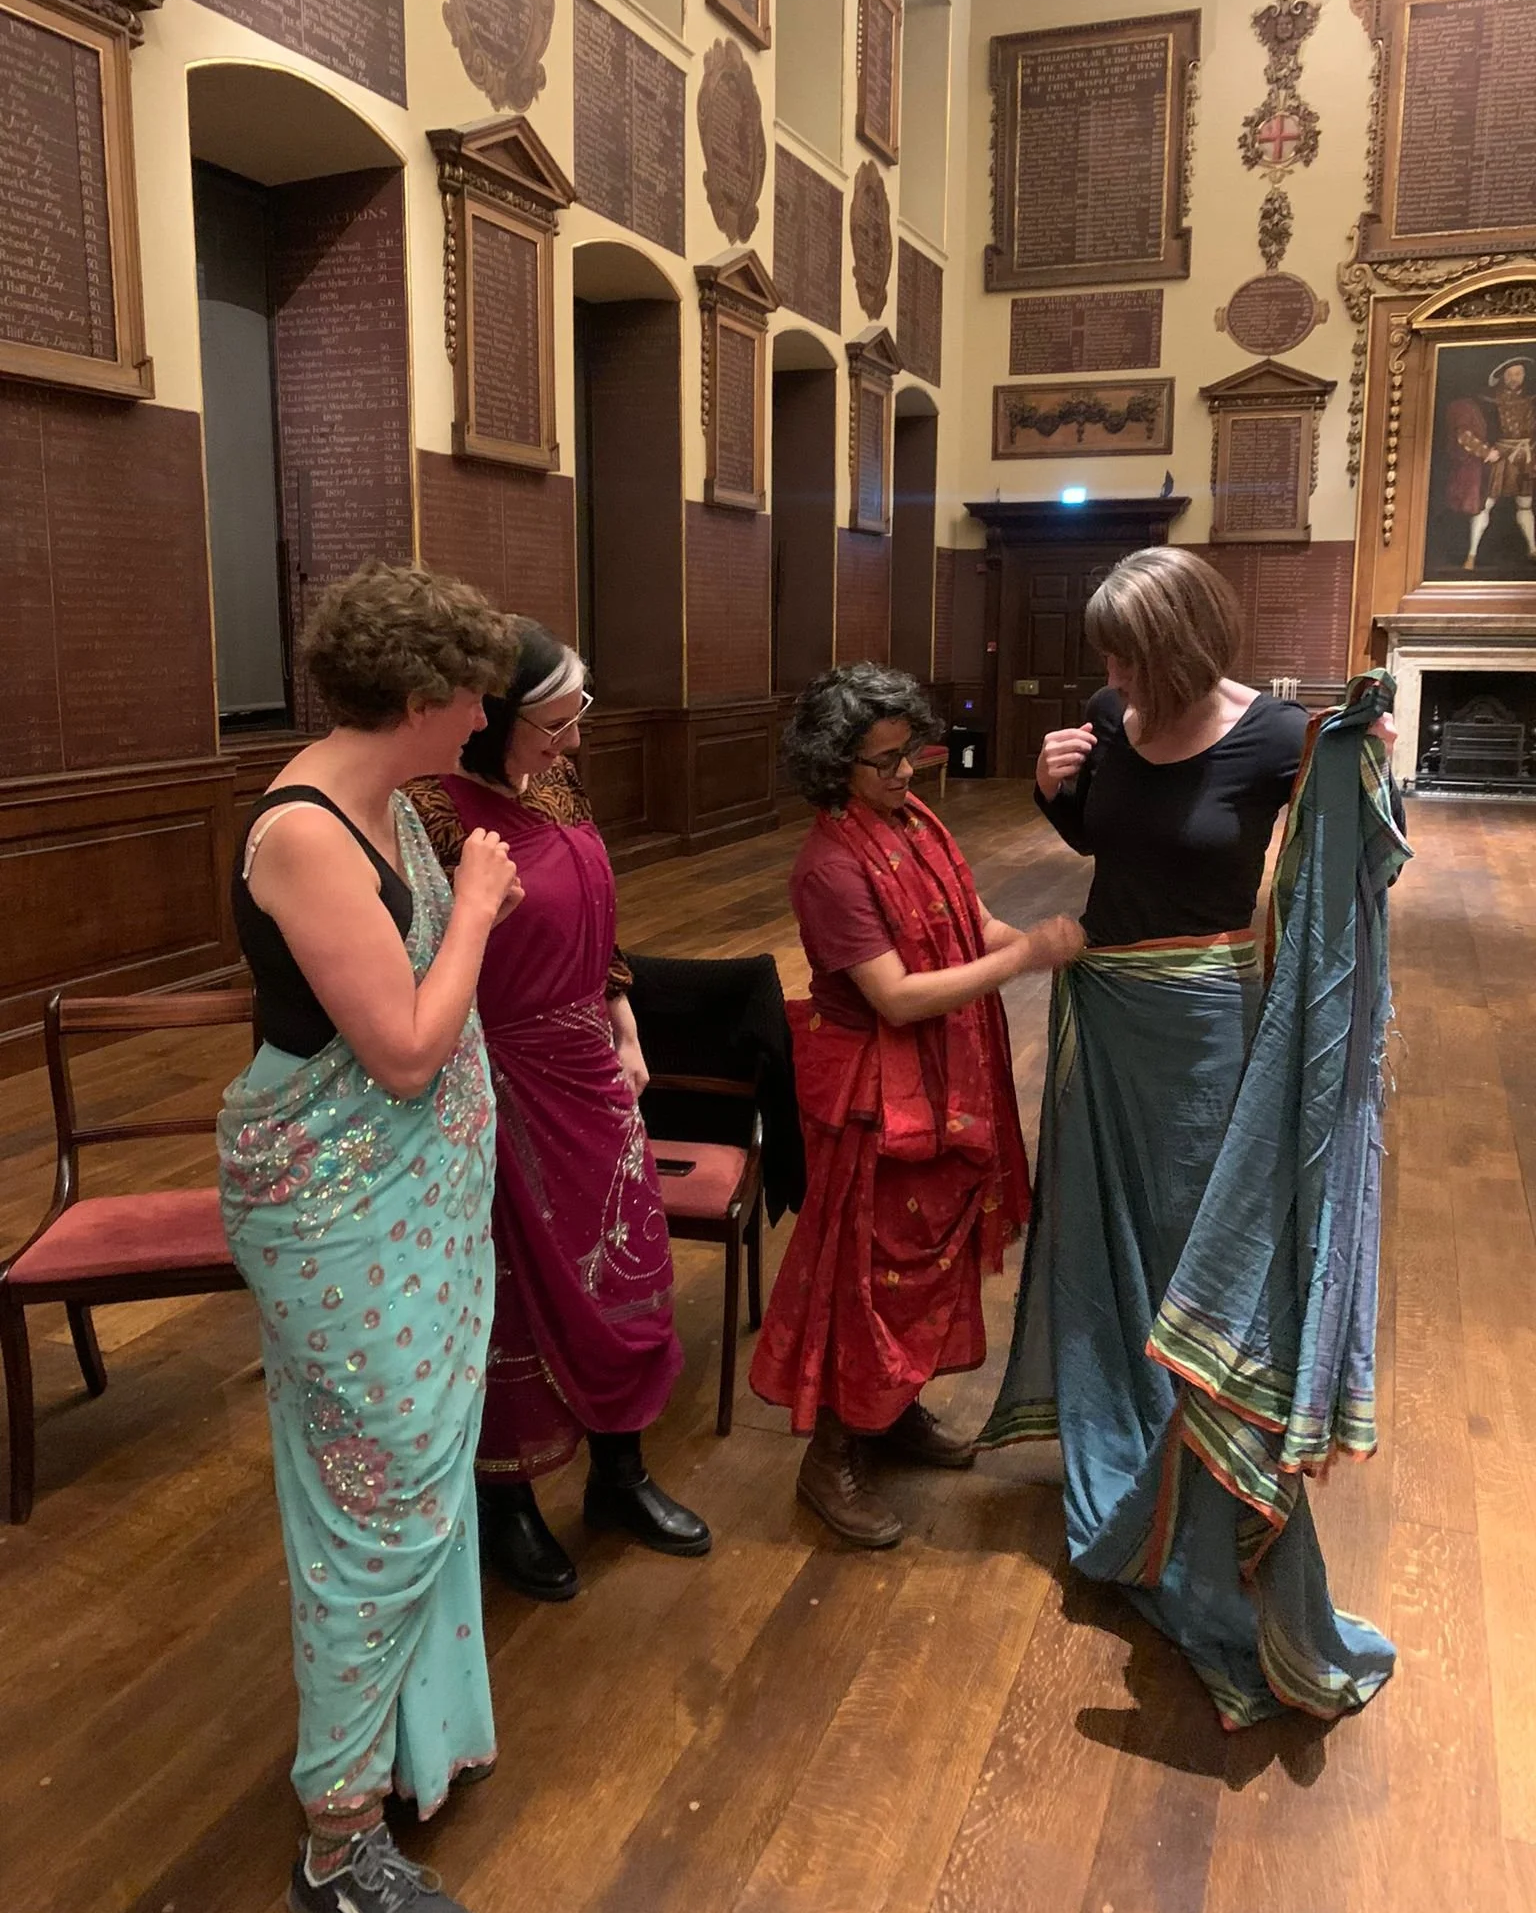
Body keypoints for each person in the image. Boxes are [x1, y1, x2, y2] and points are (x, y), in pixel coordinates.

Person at [982, 545, 1402, 1730]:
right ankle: (1131, 1474)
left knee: (1199, 1266)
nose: (1109, 677)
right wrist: (1050, 781)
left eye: (1126, 653)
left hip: (1209, 1023)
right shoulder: (1114, 717)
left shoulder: (1273, 737)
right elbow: (1106, 842)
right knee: (1104, 1247)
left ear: (1179, 647)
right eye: (1107, 659)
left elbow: (1342, 862)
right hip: (1102, 1016)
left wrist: (1358, 768)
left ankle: (1220, 1518)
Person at [218, 566, 522, 1913]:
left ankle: (401, 1744)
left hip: (406, 1209)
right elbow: (401, 1052)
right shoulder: (303, 833)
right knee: (381, 1503)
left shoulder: (387, 796)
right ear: (416, 698)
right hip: (339, 1213)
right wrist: (472, 908)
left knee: (406, 1481)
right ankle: (336, 1847)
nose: (480, 721)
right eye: (467, 698)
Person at [407, 619, 708, 1603]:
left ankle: (620, 1475)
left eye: (578, 715)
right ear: (490, 718)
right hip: (493, 1078)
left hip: (588, 1060)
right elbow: (423, 966)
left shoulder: (561, 784)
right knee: (514, 1295)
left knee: (627, 1264)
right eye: (553, 721)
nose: (573, 740)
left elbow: (597, 913)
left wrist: (623, 1018)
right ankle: (510, 1506)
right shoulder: (430, 811)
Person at [749, 663, 1083, 1548]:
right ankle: (832, 1456)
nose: (907, 774)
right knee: (865, 1275)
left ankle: (889, 1413)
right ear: (833, 765)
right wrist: (1026, 960)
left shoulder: (913, 819)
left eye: (910, 753)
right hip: (872, 1094)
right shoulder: (829, 867)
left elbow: (973, 920)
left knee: (928, 1263)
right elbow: (894, 997)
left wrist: (1063, 950)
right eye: (885, 761)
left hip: (942, 1077)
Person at [1448, 357, 1536, 569]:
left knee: (1525, 504)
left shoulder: (1531, 400)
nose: (1515, 379)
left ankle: (1533, 549)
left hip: (1526, 456)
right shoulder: (1488, 402)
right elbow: (1472, 430)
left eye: (1519, 374)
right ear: (1503, 377)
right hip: (1500, 455)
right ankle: (1471, 555)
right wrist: (1485, 451)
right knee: (1485, 504)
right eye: (1510, 374)